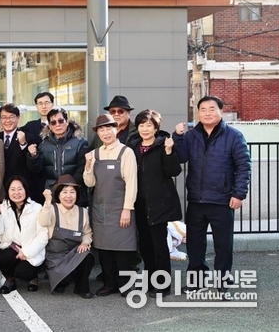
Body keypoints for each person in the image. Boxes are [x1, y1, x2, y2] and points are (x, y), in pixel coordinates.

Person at [173, 96, 251, 292]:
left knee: (223, 245)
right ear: (198, 113)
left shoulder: (234, 136)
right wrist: (178, 137)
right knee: (194, 245)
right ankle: (197, 282)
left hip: (222, 201)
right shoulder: (191, 136)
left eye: (211, 109)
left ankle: (222, 282)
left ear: (220, 111)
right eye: (203, 109)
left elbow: (243, 166)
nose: (207, 113)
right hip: (196, 201)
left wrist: (239, 194)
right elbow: (181, 158)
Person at [127, 109, 182, 297]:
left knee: (159, 245)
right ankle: (149, 282)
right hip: (139, 203)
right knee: (145, 245)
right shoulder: (133, 146)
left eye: (149, 125)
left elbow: (174, 171)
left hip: (159, 204)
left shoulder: (163, 144)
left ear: (156, 127)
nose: (145, 129)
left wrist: (168, 152)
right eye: (141, 125)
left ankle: (163, 285)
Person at [83, 114, 138, 297]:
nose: (106, 133)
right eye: (101, 130)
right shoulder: (95, 154)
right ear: (97, 133)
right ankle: (109, 283)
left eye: (109, 128)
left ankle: (125, 284)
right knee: (104, 248)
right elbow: (90, 183)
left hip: (121, 207)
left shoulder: (126, 152)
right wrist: (88, 165)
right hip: (100, 208)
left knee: (122, 248)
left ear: (116, 129)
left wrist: (127, 209)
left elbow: (131, 183)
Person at [39, 175, 94, 298]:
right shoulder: (51, 209)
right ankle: (65, 278)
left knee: (88, 255)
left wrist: (85, 242)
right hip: (55, 258)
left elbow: (88, 233)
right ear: (58, 195)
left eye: (72, 192)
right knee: (64, 281)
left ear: (77, 194)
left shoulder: (83, 212)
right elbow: (43, 222)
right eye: (64, 192)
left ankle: (82, 287)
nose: (68, 196)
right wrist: (47, 202)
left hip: (74, 254)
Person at [0, 176, 48, 294]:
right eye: (12, 189)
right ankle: (10, 279)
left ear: (26, 190)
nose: (16, 193)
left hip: (32, 250)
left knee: (23, 272)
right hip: (13, 247)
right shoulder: (2, 207)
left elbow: (43, 236)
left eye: (20, 189)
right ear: (7, 191)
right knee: (4, 257)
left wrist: (26, 252)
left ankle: (33, 277)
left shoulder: (37, 208)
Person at [27, 107, 89, 207]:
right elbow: (37, 170)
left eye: (61, 121)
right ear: (49, 126)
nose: (58, 125)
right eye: (53, 122)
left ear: (67, 121)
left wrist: (67, 188)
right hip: (52, 194)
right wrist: (33, 157)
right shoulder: (43, 145)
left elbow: (82, 168)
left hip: (74, 194)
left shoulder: (80, 142)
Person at [0, 103, 36, 195]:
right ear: (0, 119)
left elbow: (33, 166)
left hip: (20, 189)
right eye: (4, 117)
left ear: (18, 118)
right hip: (0, 189)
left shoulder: (28, 137)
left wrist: (23, 144)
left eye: (11, 117)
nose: (8, 120)